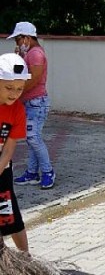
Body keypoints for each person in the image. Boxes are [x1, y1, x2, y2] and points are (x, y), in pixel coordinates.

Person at [7, 22, 55, 189]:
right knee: (31, 138)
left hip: (36, 103)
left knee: (33, 137)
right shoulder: (30, 54)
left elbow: (33, 79)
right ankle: (32, 173)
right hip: (31, 102)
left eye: (18, 40)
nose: (17, 44)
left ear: (26, 38)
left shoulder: (36, 54)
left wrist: (16, 94)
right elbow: (21, 74)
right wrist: (19, 57)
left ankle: (48, 172)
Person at [0, 53, 32, 253]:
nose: (14, 93)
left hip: (2, 168)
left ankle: (26, 258)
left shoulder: (18, 110)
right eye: (8, 88)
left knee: (9, 215)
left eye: (19, 89)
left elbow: (9, 149)